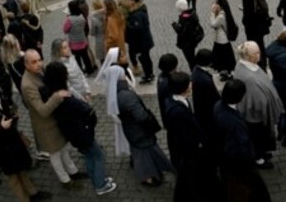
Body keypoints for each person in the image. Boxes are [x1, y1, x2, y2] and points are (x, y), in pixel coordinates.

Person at [0, 72, 51, 202]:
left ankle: (33, 193)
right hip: (3, 150)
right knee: (14, 177)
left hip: (14, 141)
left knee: (22, 170)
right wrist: (1, 127)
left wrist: (13, 114)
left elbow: (8, 112)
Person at [42, 62, 117, 196]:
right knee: (98, 155)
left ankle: (97, 179)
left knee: (89, 155)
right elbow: (88, 113)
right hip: (81, 133)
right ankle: (101, 185)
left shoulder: (48, 93)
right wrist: (90, 124)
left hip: (72, 134)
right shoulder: (66, 98)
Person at [20, 50, 82, 189]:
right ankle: (65, 180)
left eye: (39, 60)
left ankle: (73, 171)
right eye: (34, 62)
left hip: (54, 120)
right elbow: (42, 110)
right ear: (26, 65)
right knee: (55, 154)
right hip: (45, 125)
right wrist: (58, 95)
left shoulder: (38, 73)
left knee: (63, 148)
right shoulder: (27, 85)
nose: (39, 64)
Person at [212, 80, 271, 202]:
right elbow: (238, 148)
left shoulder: (218, 105)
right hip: (239, 165)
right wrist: (250, 157)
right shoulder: (234, 123)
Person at [115, 66, 173, 187]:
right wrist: (149, 119)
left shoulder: (117, 93)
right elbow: (140, 116)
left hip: (132, 130)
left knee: (144, 152)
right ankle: (148, 177)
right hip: (139, 131)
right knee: (142, 155)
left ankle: (155, 169)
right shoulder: (126, 96)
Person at [232, 41, 285, 168]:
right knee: (257, 137)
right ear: (249, 57)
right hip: (255, 115)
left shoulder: (246, 64)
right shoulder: (249, 78)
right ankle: (258, 158)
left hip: (258, 114)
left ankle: (262, 152)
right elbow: (257, 100)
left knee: (262, 136)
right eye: (256, 53)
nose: (259, 54)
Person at [164, 71, 208, 202]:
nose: (191, 84)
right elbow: (184, 136)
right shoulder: (177, 110)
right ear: (184, 88)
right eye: (189, 83)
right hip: (187, 153)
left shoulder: (176, 100)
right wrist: (197, 144)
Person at [241, 0, 272, 68]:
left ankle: (257, 64)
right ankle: (264, 63)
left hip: (252, 28)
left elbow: (247, 16)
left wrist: (244, 19)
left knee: (253, 47)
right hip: (261, 26)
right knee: (261, 45)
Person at [125, 0, 155, 84]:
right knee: (146, 58)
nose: (128, 1)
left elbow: (137, 28)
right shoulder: (140, 10)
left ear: (133, 0)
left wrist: (127, 25)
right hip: (145, 40)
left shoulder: (136, 14)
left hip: (141, 42)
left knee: (144, 58)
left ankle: (148, 75)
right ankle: (150, 74)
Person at [62, 0, 94, 75]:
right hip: (82, 40)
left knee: (77, 59)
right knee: (85, 57)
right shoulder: (81, 17)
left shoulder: (69, 20)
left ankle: (80, 71)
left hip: (74, 43)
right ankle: (89, 70)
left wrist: (67, 18)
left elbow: (65, 29)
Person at [172, 0, 203, 72]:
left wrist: (174, 25)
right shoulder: (192, 13)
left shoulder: (184, 18)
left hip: (186, 42)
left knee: (190, 59)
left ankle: (194, 72)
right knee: (192, 57)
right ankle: (195, 71)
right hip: (193, 41)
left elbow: (181, 31)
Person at [210, 0, 238, 73]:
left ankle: (225, 72)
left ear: (220, 5)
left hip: (221, 40)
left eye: (216, 3)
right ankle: (225, 71)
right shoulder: (225, 12)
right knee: (225, 58)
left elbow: (213, 24)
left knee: (223, 58)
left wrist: (212, 13)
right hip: (222, 39)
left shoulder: (221, 16)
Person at [88, 0, 106, 64]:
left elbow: (92, 33)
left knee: (103, 59)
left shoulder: (94, 19)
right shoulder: (106, 14)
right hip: (108, 36)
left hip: (100, 40)